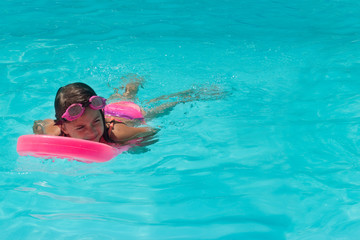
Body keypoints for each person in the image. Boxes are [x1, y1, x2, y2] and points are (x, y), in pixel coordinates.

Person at [33, 75, 226, 145]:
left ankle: (193, 93)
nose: (92, 132)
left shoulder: (116, 133)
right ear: (64, 128)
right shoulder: (56, 131)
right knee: (124, 95)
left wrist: (136, 142)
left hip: (128, 116)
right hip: (109, 111)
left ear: (101, 115)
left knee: (164, 105)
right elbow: (39, 124)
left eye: (95, 122)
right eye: (81, 128)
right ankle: (131, 83)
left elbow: (152, 129)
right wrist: (39, 130)